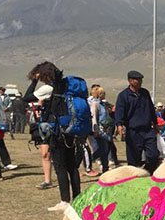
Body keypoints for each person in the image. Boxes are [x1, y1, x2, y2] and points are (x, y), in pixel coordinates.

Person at [23, 61, 82, 209]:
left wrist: (34, 81)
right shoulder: (67, 85)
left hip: (57, 131)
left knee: (60, 166)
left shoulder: (49, 88)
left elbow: (27, 97)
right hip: (71, 129)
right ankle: (78, 198)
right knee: (72, 167)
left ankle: (65, 200)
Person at [115, 70, 159, 173]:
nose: (140, 81)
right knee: (134, 159)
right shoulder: (123, 96)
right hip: (133, 131)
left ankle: (149, 173)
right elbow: (119, 111)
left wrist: (155, 123)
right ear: (130, 81)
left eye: (141, 79)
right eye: (137, 79)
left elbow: (151, 109)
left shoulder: (145, 93)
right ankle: (134, 178)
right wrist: (119, 124)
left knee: (153, 155)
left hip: (148, 130)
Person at [88, 86, 112, 173]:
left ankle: (105, 167)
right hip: (100, 130)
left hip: (106, 130)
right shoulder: (95, 104)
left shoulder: (103, 104)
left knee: (107, 149)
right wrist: (95, 129)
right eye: (102, 93)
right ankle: (90, 160)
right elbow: (94, 117)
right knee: (103, 149)